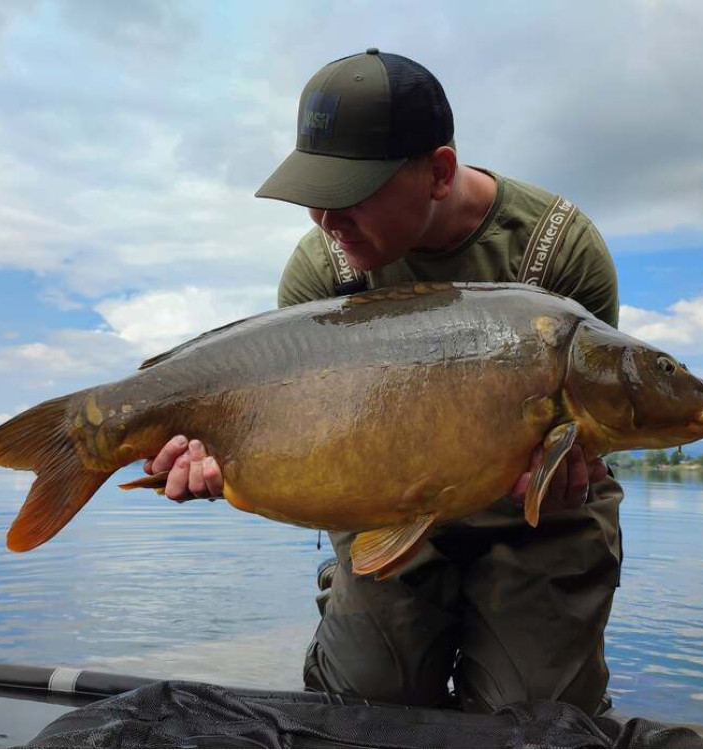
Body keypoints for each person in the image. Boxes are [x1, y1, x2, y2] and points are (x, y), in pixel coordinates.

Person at [144, 49, 624, 715]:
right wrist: (228, 464)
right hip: (383, 507)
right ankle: (355, 597)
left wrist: (572, 462)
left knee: (535, 718)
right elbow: (302, 440)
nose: (326, 221)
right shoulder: (320, 272)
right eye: (315, 196)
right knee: (371, 702)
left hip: (535, 518)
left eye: (351, 196)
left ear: (439, 173)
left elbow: (593, 423)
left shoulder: (559, 250)